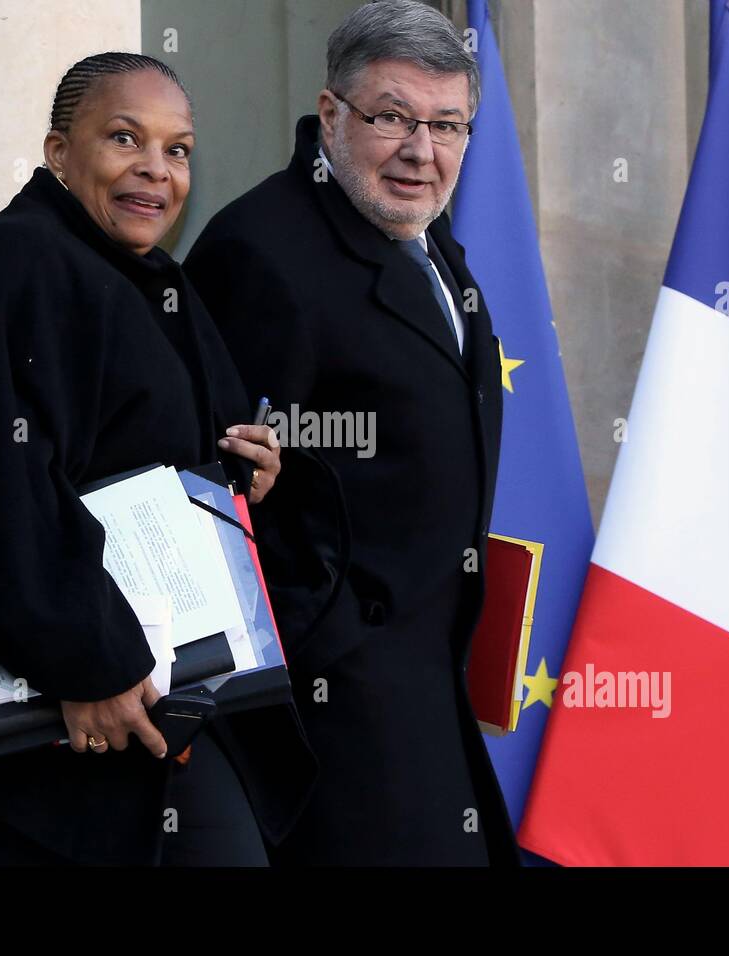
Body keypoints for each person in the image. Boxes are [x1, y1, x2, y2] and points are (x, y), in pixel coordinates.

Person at [0, 53, 317, 867]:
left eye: (178, 150)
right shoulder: (23, 259)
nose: (156, 169)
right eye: (124, 138)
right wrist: (87, 662)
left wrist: (246, 471)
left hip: (155, 695)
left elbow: (164, 455)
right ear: (57, 153)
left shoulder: (150, 282)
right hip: (61, 713)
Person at [184, 0, 519, 865]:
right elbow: (215, 491)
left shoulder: (428, 239)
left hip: (429, 680)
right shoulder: (260, 250)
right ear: (331, 114)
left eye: (449, 125)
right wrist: (322, 646)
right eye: (393, 117)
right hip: (334, 709)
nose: (422, 150)